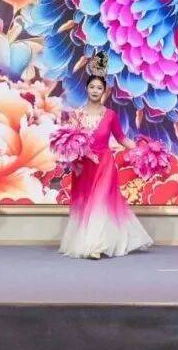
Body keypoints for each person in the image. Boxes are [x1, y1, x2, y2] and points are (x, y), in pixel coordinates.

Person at [59, 52, 153, 259]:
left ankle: (96, 246)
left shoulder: (111, 115)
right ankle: (90, 241)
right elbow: (70, 143)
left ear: (104, 91)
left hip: (105, 165)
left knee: (100, 203)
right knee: (86, 203)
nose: (95, 90)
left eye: (99, 88)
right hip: (83, 167)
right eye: (92, 87)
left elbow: (122, 138)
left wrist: (142, 151)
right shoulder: (76, 115)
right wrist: (78, 156)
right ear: (86, 89)